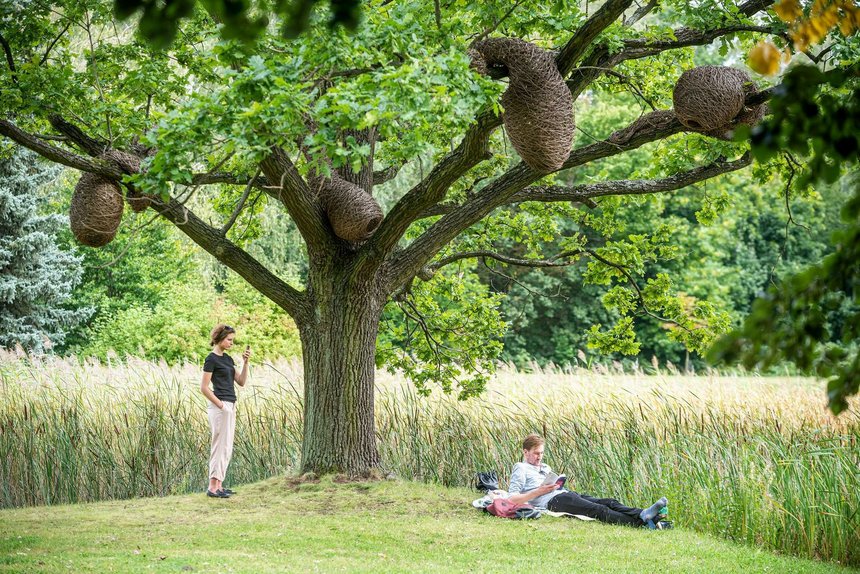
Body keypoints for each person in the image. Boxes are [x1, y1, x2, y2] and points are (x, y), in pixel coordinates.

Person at [507, 433, 669, 528]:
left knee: (610, 502)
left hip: (564, 494)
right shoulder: (520, 467)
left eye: (541, 453)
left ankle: (643, 514)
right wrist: (538, 491)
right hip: (552, 502)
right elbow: (511, 498)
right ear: (525, 452)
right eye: (536, 453)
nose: (539, 457)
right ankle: (644, 523)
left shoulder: (545, 466)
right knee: (598, 510)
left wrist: (557, 483)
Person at [200, 324, 251, 499]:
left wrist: (245, 363)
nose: (231, 343)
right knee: (219, 446)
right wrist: (221, 405)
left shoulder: (228, 359)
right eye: (229, 339)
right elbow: (204, 388)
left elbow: (241, 381)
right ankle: (212, 488)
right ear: (220, 338)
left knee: (226, 447)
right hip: (220, 406)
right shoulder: (211, 359)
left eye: (232, 340)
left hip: (230, 404)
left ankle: (219, 486)